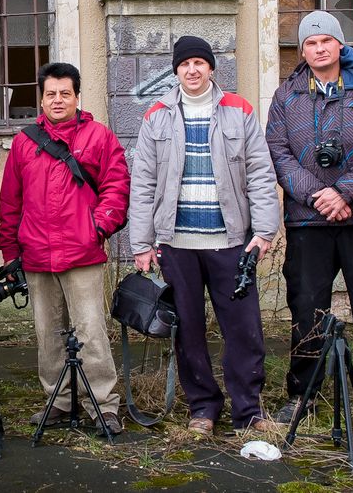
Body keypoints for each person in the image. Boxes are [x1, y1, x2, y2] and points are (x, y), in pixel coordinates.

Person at [266, 10, 353, 433]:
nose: (319, 48)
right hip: (308, 222)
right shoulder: (286, 96)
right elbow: (279, 152)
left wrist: (344, 192)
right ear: (302, 50)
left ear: (340, 45)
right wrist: (318, 196)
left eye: (326, 40)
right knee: (306, 309)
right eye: (311, 43)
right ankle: (302, 394)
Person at [129, 35, 280, 435]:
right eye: (185, 64)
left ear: (211, 68)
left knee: (243, 330)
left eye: (199, 62)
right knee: (188, 331)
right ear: (176, 71)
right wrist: (141, 243)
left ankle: (248, 411)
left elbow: (260, 173)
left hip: (231, 243)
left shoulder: (238, 110)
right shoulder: (157, 116)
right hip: (177, 245)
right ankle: (203, 408)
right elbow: (142, 183)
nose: (192, 70)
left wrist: (265, 230)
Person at [0, 62, 129, 435]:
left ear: (76, 97)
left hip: (82, 253)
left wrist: (97, 227)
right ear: (42, 98)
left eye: (65, 93)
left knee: (90, 331)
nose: (58, 100)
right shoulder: (24, 143)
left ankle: (102, 404)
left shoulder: (99, 137)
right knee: (49, 333)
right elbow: (10, 202)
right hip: (36, 254)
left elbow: (117, 187)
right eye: (51, 94)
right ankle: (58, 399)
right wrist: (10, 253)